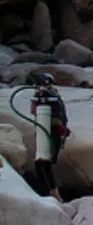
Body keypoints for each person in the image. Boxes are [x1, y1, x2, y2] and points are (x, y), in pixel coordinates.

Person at [29, 73, 69, 202]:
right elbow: (33, 110)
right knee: (38, 166)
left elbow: (60, 112)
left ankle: (56, 197)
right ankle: (47, 195)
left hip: (53, 132)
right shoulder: (40, 97)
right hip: (42, 130)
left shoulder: (54, 97)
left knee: (45, 164)